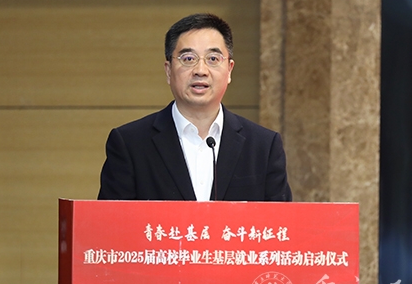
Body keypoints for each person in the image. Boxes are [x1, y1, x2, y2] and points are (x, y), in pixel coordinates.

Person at [98, 13, 292, 202]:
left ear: (229, 70)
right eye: (188, 59)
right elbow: (111, 221)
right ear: (168, 71)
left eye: (213, 59)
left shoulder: (263, 146)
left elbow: (281, 221)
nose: (200, 70)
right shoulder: (130, 144)